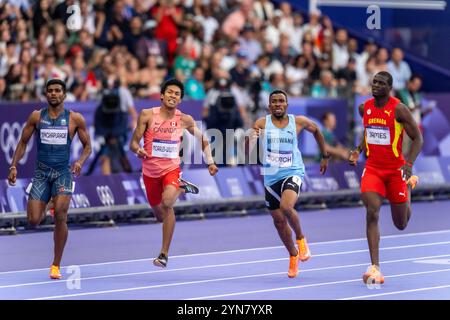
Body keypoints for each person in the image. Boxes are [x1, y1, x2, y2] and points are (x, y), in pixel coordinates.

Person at [7, 78, 92, 279]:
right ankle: (51, 202)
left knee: (61, 215)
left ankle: (55, 265)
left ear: (64, 95)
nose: (53, 93)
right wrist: (13, 165)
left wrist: (79, 161)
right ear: (46, 94)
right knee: (34, 220)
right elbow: (23, 142)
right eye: (50, 91)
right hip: (41, 174)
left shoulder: (75, 118)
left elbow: (88, 146)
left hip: (62, 173)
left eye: (57, 91)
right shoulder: (37, 117)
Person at [130, 78, 219, 268]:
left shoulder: (184, 119)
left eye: (177, 94)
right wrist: (138, 150)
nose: (173, 96)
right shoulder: (146, 115)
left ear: (180, 100)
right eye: (169, 92)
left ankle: (163, 254)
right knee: (160, 215)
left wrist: (210, 162)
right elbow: (133, 143)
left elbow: (204, 140)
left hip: (171, 169)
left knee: (168, 202)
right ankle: (181, 187)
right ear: (162, 95)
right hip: (149, 173)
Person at [349, 71, 423, 285]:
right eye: (374, 82)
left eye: (381, 83)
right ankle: (375, 267)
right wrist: (358, 150)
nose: (376, 85)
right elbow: (369, 133)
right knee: (372, 211)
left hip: (395, 171)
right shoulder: (365, 108)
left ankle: (408, 187)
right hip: (372, 169)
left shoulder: (399, 109)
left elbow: (417, 138)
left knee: (401, 223)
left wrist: (408, 164)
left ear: (389, 88)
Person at [250, 90, 329, 278]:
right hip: (271, 176)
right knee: (278, 221)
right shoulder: (261, 123)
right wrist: (250, 140)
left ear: (286, 104)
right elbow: (249, 150)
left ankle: (301, 239)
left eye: (281, 101)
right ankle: (293, 254)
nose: (278, 104)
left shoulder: (298, 121)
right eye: (274, 102)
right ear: (269, 106)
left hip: (293, 171)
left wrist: (324, 155)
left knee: (286, 207)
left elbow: (317, 130)